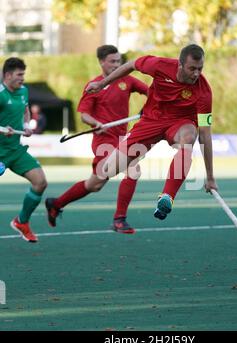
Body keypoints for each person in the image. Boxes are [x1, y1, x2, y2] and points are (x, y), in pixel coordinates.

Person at [86, 44, 218, 219]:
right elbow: (131, 65)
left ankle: (167, 197)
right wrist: (102, 83)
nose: (196, 74)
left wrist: (210, 177)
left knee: (189, 137)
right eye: (192, 68)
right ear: (180, 65)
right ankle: (59, 203)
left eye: (200, 69)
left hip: (180, 123)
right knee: (105, 173)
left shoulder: (204, 92)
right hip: (151, 121)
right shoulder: (159, 65)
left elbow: (205, 134)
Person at [45, 45, 148, 234]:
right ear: (101, 62)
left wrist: (149, 107)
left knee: (94, 185)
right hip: (103, 141)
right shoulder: (94, 85)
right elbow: (84, 114)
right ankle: (119, 219)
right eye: (112, 62)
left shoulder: (128, 80)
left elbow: (150, 93)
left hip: (121, 140)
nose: (117, 65)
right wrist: (96, 123)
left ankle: (56, 204)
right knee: (133, 168)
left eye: (119, 61)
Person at [0, 57, 48, 242]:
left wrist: (26, 124)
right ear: (8, 75)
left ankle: (22, 222)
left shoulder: (23, 91)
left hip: (16, 151)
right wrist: (3, 129)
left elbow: (26, 110)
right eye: (19, 75)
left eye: (23, 74)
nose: (23, 78)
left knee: (40, 182)